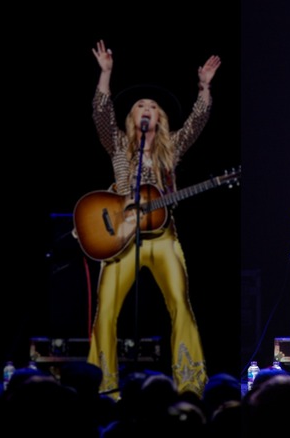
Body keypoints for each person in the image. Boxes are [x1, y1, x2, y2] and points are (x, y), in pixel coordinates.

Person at [85, 39, 221, 399]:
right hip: (119, 235)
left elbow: (196, 123)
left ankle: (190, 383)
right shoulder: (117, 144)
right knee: (107, 310)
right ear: (132, 117)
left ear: (159, 118)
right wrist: (106, 74)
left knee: (180, 302)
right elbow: (101, 114)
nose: (146, 109)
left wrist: (204, 88)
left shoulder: (170, 147)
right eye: (140, 106)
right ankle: (105, 385)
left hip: (163, 235)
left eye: (153, 106)